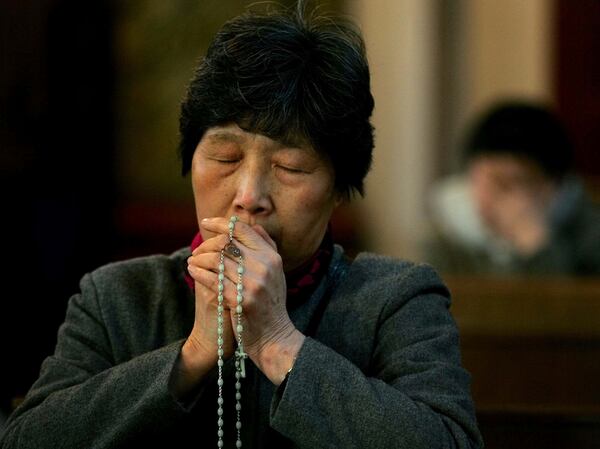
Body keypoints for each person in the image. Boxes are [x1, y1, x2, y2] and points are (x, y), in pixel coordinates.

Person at [1, 3, 482, 448]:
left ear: (339, 188)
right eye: (225, 157)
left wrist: (276, 341)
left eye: (291, 167)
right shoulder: (118, 296)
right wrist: (191, 354)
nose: (249, 196)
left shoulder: (396, 301)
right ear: (190, 161)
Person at [426, 100, 600, 275]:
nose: (502, 197)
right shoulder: (445, 233)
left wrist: (537, 246)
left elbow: (568, 300)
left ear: (554, 186)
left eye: (518, 182)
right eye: (495, 181)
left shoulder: (589, 232)